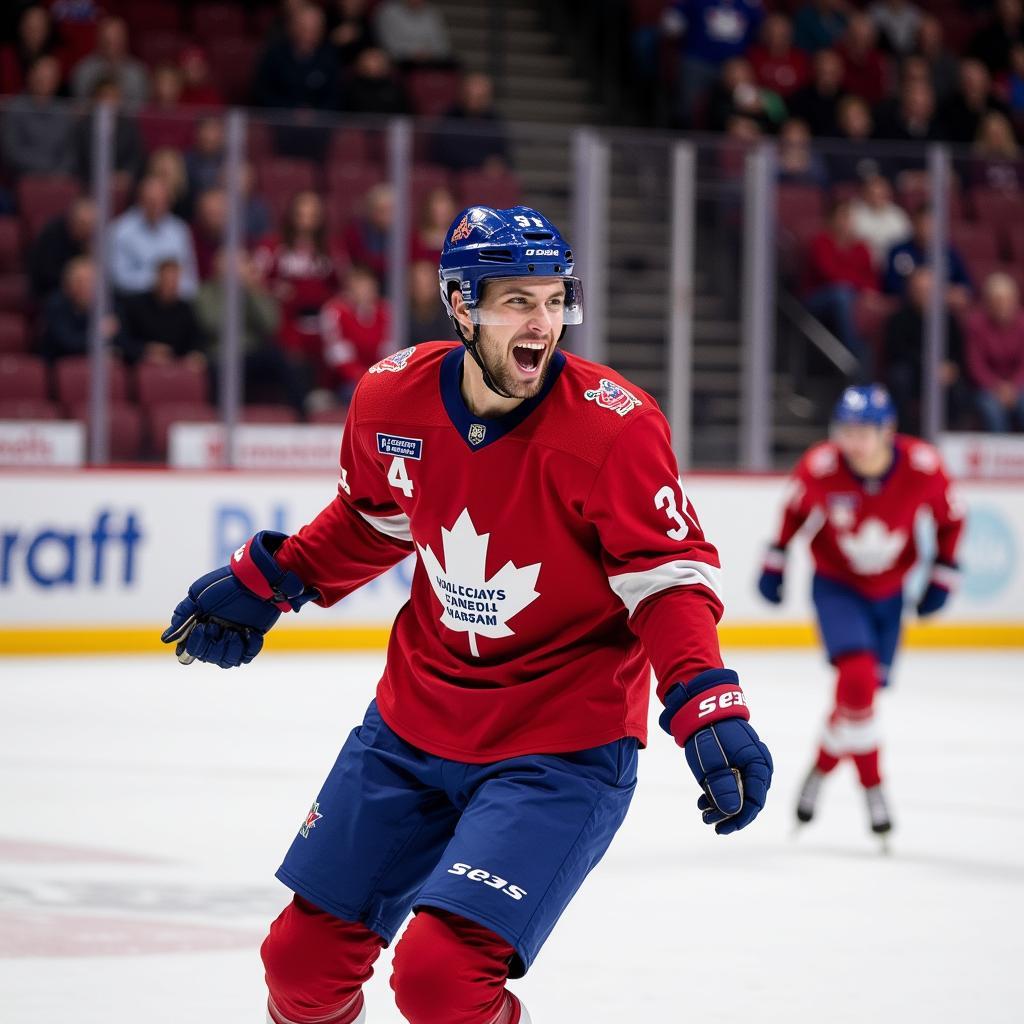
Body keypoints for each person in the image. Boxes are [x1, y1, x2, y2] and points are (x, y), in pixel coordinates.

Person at [161, 204, 773, 1024]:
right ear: (461, 305)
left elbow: (665, 583)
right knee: (299, 965)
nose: (543, 322)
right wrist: (275, 578)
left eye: (555, 299)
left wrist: (706, 701)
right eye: (518, 300)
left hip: (560, 744)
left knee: (441, 980)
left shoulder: (614, 429)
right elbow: (374, 519)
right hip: (413, 723)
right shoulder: (390, 398)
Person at [758, 384, 962, 838]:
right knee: (857, 676)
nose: (853, 441)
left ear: (888, 431)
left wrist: (944, 573)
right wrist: (776, 559)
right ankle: (874, 785)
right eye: (846, 430)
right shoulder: (822, 465)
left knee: (859, 694)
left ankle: (820, 767)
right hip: (837, 587)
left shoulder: (923, 467)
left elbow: (951, 519)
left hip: (890, 594)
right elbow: (793, 512)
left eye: (864, 431)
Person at [882, 266, 968, 433]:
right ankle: (903, 433)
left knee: (957, 385)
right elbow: (897, 351)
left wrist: (951, 367)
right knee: (899, 378)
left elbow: (958, 351)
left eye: (928, 290)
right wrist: (928, 366)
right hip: (913, 372)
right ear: (910, 290)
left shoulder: (948, 319)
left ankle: (950, 434)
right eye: (919, 289)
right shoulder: (899, 318)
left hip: (941, 374)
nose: (923, 294)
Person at [802, 199, 879, 377]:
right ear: (831, 219)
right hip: (817, 299)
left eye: (850, 217)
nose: (847, 221)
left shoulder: (861, 247)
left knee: (857, 298)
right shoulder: (821, 242)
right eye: (843, 216)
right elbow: (829, 274)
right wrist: (859, 285)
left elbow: (871, 279)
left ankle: (865, 370)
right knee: (841, 293)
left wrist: (864, 289)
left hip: (851, 298)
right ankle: (852, 348)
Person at [107, 175, 199, 298]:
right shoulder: (121, 230)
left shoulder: (179, 230)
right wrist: (159, 282)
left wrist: (170, 286)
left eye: (161, 201)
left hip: (174, 303)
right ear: (140, 200)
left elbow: (190, 281)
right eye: (151, 201)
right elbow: (118, 278)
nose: (156, 206)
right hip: (135, 302)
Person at [319, 263, 392, 401]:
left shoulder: (385, 311)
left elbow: (389, 352)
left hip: (379, 378)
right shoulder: (335, 311)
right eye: (359, 285)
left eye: (368, 285)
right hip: (342, 383)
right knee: (357, 393)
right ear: (349, 288)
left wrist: (379, 379)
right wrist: (366, 379)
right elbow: (338, 357)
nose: (364, 290)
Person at [119, 258, 205, 367]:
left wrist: (194, 354)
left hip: (176, 364)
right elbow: (125, 339)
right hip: (141, 363)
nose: (170, 284)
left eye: (174, 280)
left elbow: (196, 339)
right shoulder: (136, 305)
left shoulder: (185, 309)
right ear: (158, 278)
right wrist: (145, 349)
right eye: (167, 279)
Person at [966, 271, 1024, 432]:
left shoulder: (1022, 324)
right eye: (997, 301)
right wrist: (996, 387)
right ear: (987, 303)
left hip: (1019, 387)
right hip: (986, 388)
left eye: (1007, 300)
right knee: (992, 409)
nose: (1002, 305)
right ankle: (1000, 454)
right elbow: (976, 365)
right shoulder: (976, 324)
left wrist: (1014, 387)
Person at [883, 205, 971, 310]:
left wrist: (951, 292)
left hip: (943, 310)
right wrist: (919, 291)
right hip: (908, 309)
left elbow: (966, 285)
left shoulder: (947, 252)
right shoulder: (899, 251)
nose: (927, 229)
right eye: (924, 223)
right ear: (915, 224)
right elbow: (891, 285)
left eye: (932, 224)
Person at [0, 55, 74, 179]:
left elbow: (71, 153)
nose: (44, 81)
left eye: (49, 77)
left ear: (56, 80)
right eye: (41, 77)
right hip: (23, 179)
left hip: (58, 180)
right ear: (30, 76)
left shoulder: (64, 111)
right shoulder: (15, 108)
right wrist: (44, 169)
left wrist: (59, 173)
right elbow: (11, 151)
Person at [41, 255, 127, 361]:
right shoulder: (56, 305)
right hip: (61, 364)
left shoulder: (109, 306)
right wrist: (98, 333)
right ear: (68, 283)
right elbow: (66, 343)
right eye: (79, 281)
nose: (85, 286)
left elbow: (121, 343)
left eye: (91, 281)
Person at [70, 15, 148, 108]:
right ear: (99, 38)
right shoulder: (84, 70)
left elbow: (140, 112)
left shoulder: (137, 73)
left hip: (127, 122)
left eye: (116, 38)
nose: (112, 43)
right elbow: (79, 108)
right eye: (107, 39)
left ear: (125, 39)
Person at [28, 196, 96, 301]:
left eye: (90, 225)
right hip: (52, 288)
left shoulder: (91, 238)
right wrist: (74, 281)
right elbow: (45, 273)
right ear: (73, 220)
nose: (88, 230)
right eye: (83, 224)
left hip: (84, 288)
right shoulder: (52, 235)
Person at [849, 173, 911, 270]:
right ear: (864, 193)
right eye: (872, 193)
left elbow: (905, 243)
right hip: (861, 265)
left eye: (881, 194)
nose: (877, 197)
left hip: (891, 265)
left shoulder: (898, 215)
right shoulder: (854, 213)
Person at [373, 0, 452, 67]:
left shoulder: (433, 14)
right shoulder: (388, 12)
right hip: (400, 62)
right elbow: (388, 44)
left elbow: (442, 44)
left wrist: (428, 54)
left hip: (431, 61)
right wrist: (412, 53)